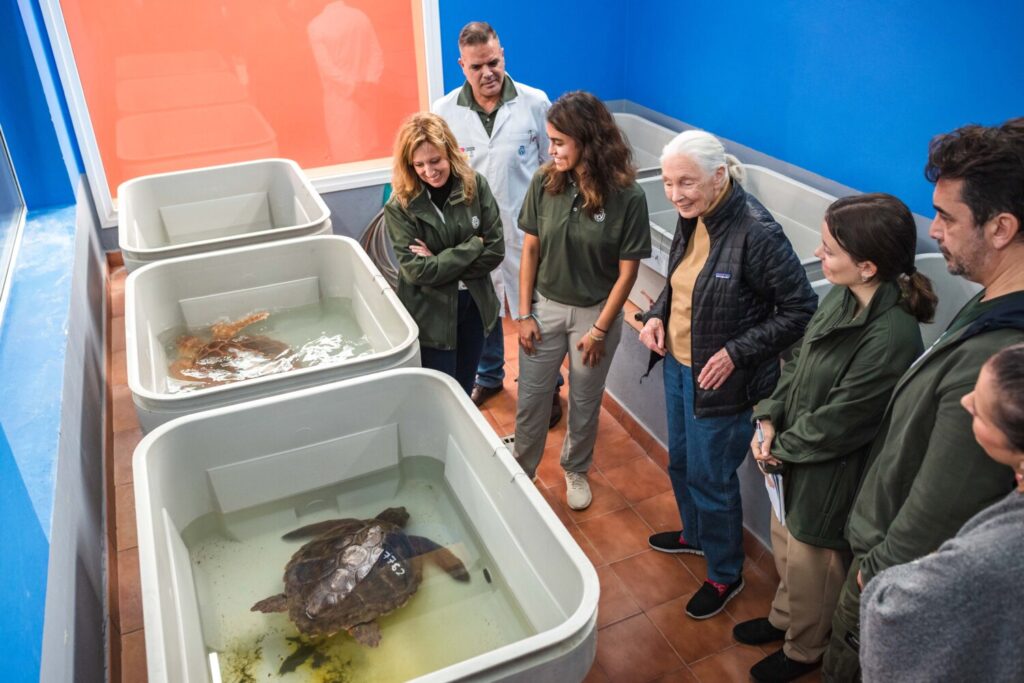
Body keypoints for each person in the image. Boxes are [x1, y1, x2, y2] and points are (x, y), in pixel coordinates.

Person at [822, 118, 1024, 682]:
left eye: (947, 216)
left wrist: (876, 578)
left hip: (891, 576)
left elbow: (944, 501)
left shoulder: (1002, 355)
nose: (933, 230)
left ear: (1002, 227)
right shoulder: (994, 303)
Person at [736, 194, 935, 683]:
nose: (818, 255)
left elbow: (842, 421)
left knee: (814, 570)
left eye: (828, 249)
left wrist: (777, 448)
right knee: (785, 548)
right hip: (789, 458)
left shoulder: (891, 335)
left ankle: (804, 649)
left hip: (826, 472)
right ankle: (784, 619)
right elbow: (800, 360)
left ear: (866, 266)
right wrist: (769, 418)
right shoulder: (843, 295)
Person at [640, 130, 817, 620]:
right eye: (669, 183)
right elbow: (680, 282)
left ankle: (724, 572)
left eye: (687, 183)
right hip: (678, 364)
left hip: (724, 381)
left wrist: (738, 352)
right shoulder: (689, 216)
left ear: (719, 177)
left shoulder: (757, 232)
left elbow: (801, 308)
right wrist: (656, 313)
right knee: (681, 462)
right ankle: (695, 535)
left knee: (711, 478)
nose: (675, 195)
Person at [514, 91, 651, 511]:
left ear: (587, 142)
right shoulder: (544, 181)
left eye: (559, 141)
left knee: (586, 401)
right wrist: (523, 314)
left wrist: (599, 330)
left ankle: (575, 468)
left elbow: (627, 274)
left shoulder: (628, 197)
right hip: (546, 307)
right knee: (533, 398)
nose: (550, 149)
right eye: (550, 139)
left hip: (596, 315)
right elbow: (531, 251)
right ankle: (522, 470)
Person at [860, 343, 1024, 682]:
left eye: (978, 410)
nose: (964, 401)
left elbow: (891, 616)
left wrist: (895, 574)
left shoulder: (987, 556)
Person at [432, 22, 562, 424]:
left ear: (503, 54)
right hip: (475, 233)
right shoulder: (443, 112)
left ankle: (547, 386)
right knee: (484, 308)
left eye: (493, 62)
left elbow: (552, 167)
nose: (487, 73)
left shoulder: (535, 102)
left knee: (535, 312)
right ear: (462, 66)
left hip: (529, 232)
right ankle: (489, 376)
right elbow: (440, 173)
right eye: (476, 67)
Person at [383, 112, 504, 394]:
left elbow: (495, 250)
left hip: (474, 306)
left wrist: (439, 260)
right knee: (438, 393)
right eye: (420, 164)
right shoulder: (400, 206)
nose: (429, 170)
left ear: (450, 152)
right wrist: (473, 246)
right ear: (409, 165)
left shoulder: (476, 185)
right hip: (431, 317)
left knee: (463, 387)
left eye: (436, 160)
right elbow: (419, 271)